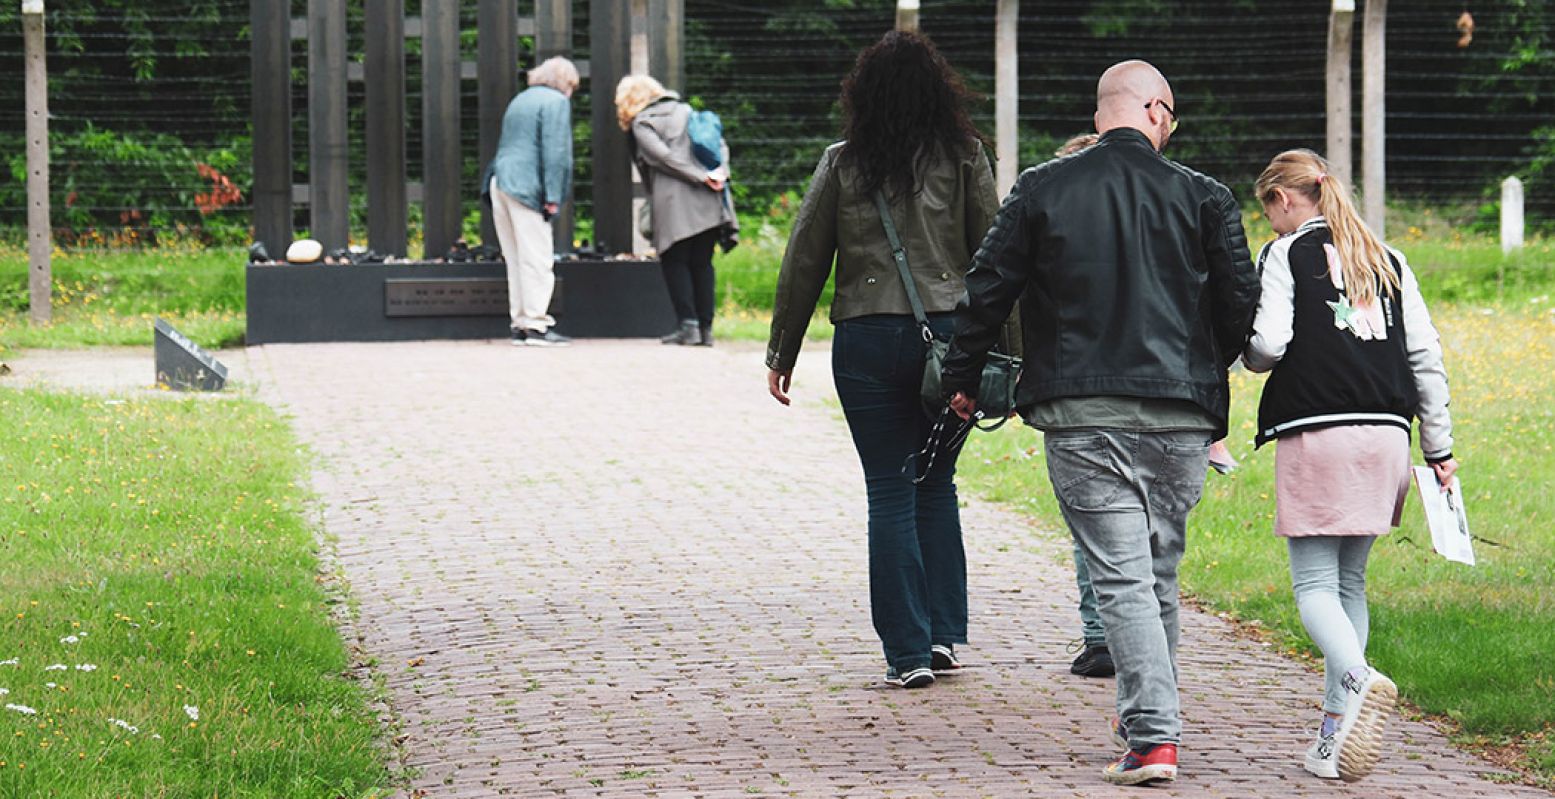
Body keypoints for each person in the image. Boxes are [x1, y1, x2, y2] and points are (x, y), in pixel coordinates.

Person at [939, 60, 1261, 784]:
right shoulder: (1204, 196)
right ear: (1153, 109)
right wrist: (1205, 363)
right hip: (1182, 414)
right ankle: (1151, 716)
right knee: (1156, 575)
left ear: (1098, 117)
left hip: (1081, 411)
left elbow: (985, 289)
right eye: (1170, 114)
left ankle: (1152, 734)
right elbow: (1240, 304)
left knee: (1120, 578)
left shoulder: (1042, 189)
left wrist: (962, 378)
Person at [765, 30, 1015, 690]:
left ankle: (904, 652)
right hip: (952, 339)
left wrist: (780, 351)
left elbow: (803, 260)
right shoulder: (965, 155)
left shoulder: (842, 161)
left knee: (888, 488)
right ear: (940, 91)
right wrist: (1012, 357)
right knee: (935, 482)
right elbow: (994, 258)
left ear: (862, 94)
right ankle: (941, 635)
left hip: (867, 340)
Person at [1244, 149, 1456, 783]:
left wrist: (1239, 352)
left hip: (1318, 433)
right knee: (1350, 584)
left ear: (1285, 199)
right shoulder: (1389, 259)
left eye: (1269, 212)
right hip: (1389, 438)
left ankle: (1360, 679)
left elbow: (1269, 344)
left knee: (1313, 586)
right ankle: (1333, 740)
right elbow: (1425, 356)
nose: (1272, 225)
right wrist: (1439, 448)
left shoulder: (1286, 255)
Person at [615, 75, 738, 346]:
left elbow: (663, 158)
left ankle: (688, 325)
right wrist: (717, 175)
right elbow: (719, 144)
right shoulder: (688, 111)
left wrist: (697, 176)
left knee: (675, 260)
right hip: (708, 199)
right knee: (703, 262)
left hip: (672, 203)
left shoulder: (643, 122)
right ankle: (707, 331)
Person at [488, 56, 578, 347]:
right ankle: (537, 326)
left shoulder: (521, 100)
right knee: (537, 258)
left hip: (500, 181)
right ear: (565, 82)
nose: (571, 93)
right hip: (526, 186)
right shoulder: (556, 103)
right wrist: (553, 196)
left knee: (515, 258)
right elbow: (556, 153)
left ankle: (520, 324)